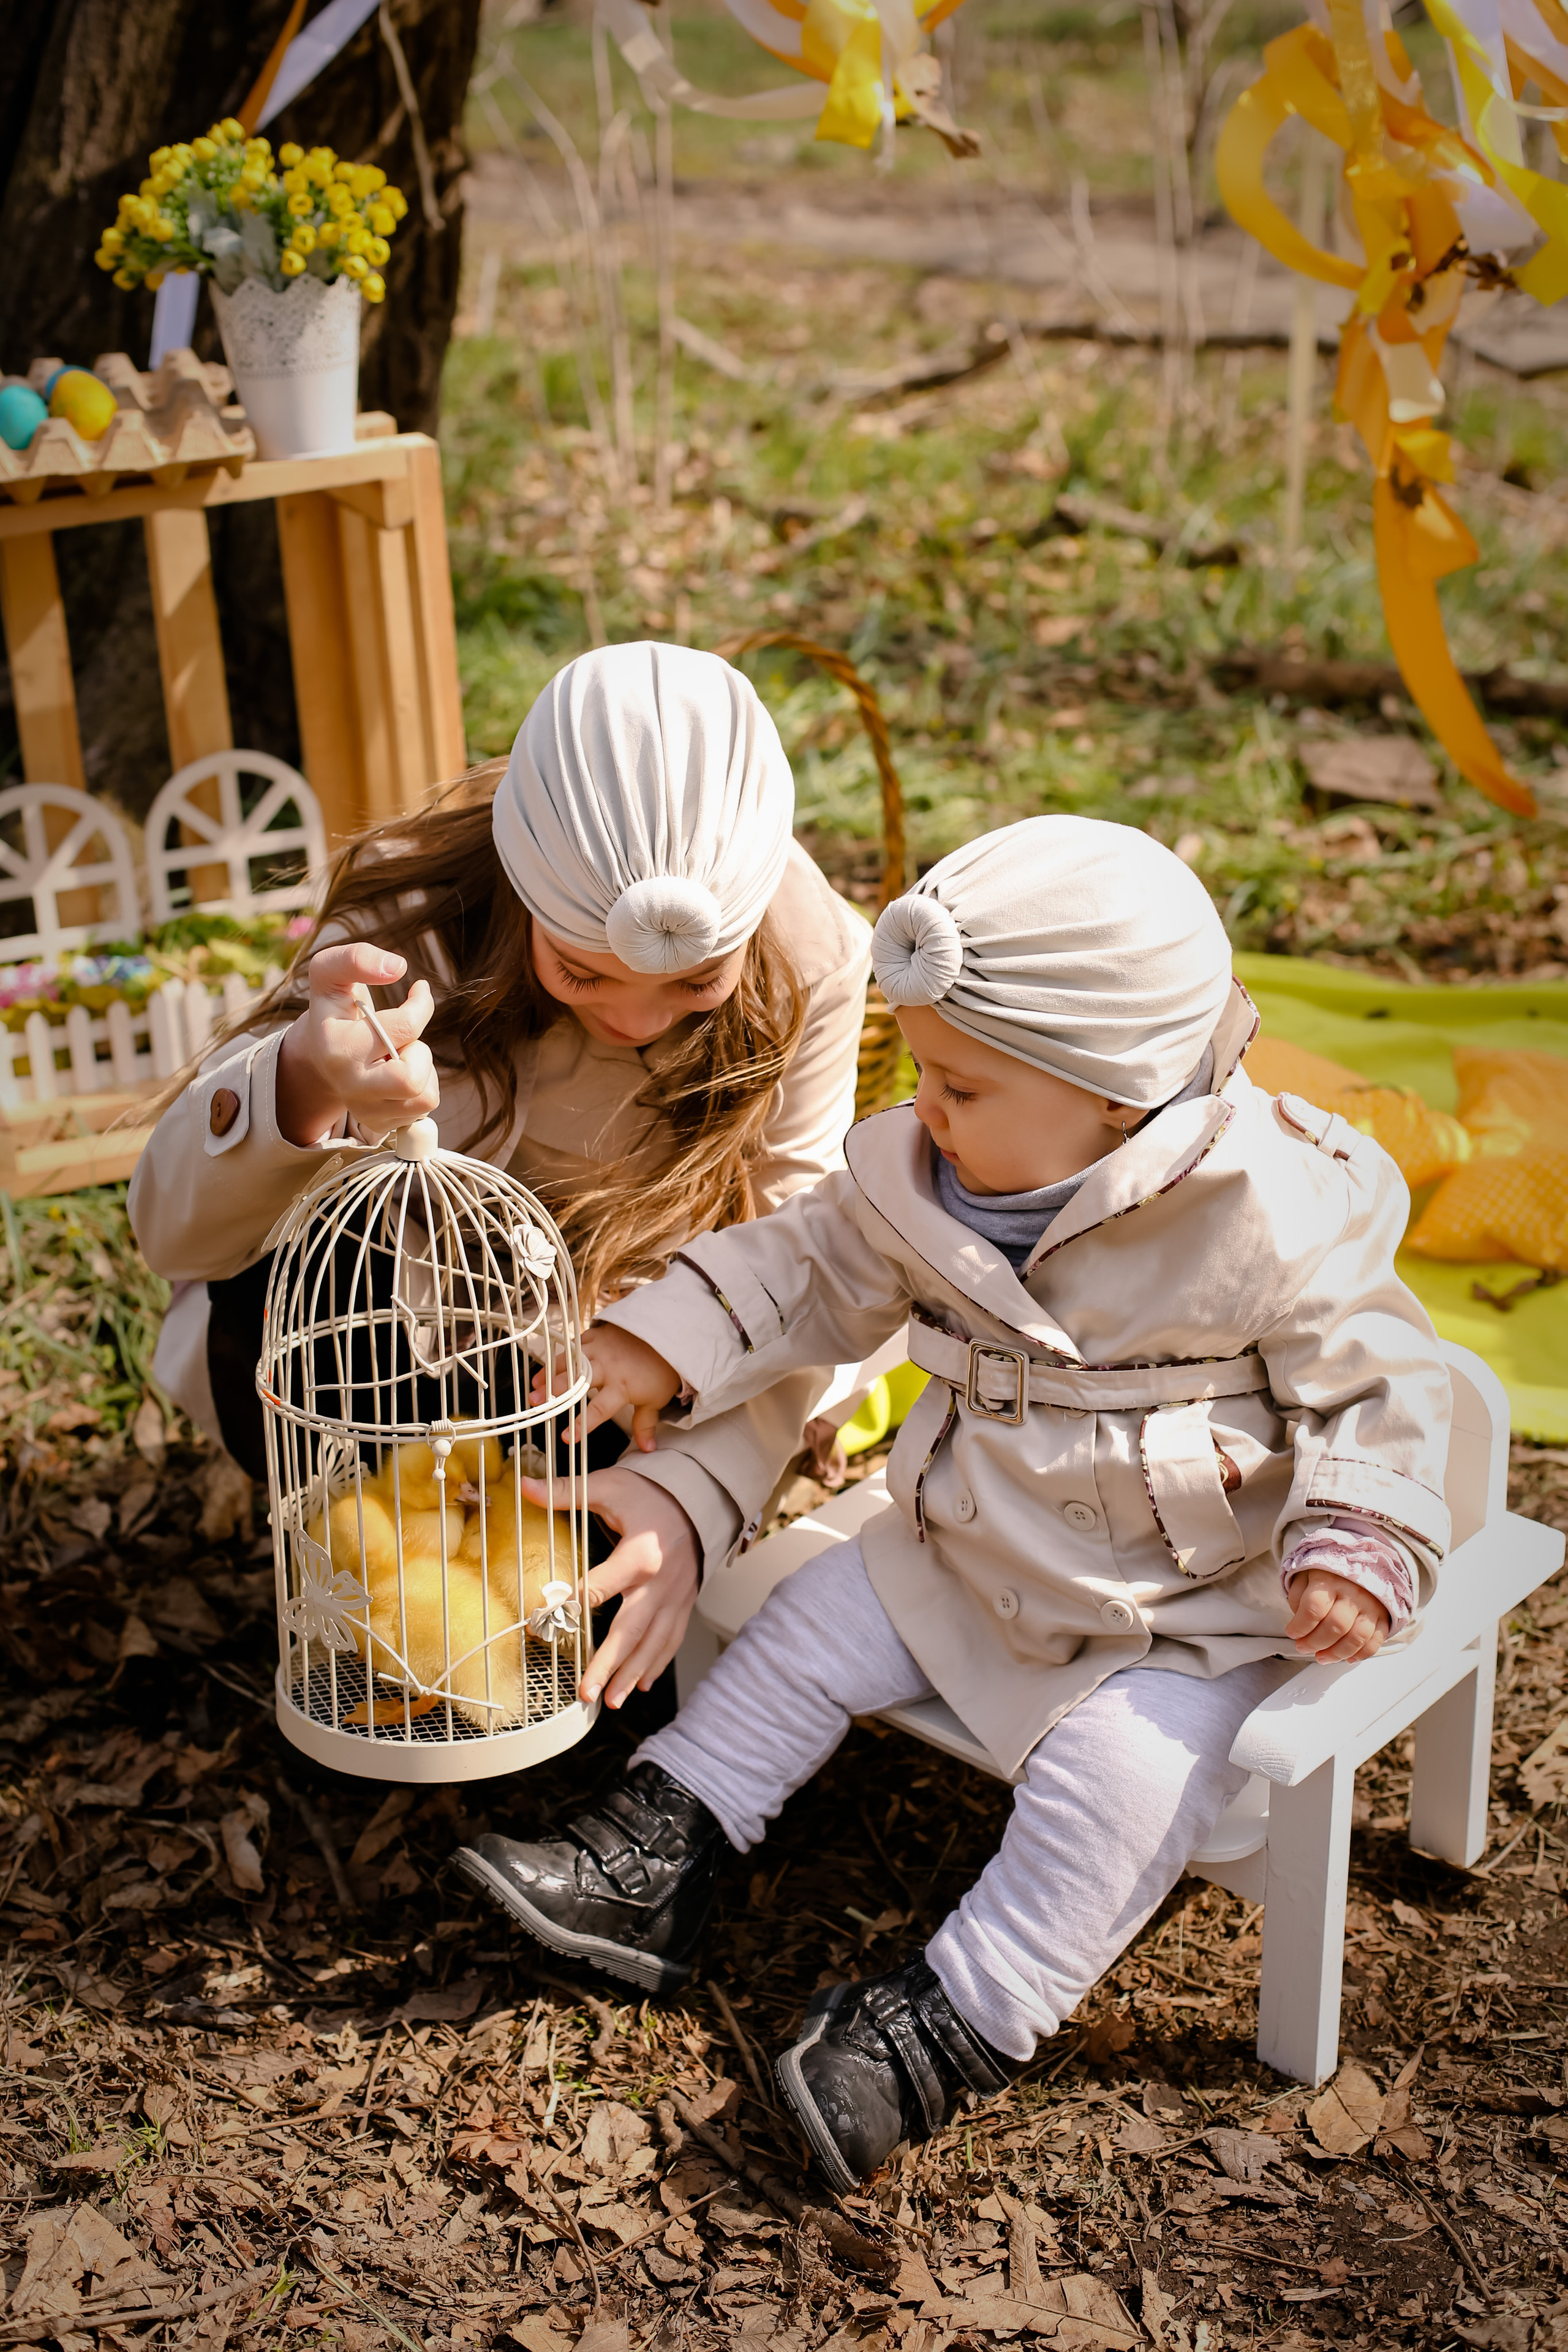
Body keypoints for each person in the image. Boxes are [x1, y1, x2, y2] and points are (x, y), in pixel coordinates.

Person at [453, 813, 1452, 2193]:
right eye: (921, 1073)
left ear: (1115, 1092)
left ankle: (957, 2020)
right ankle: (663, 1846)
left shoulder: (1272, 1211)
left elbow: (1382, 1380)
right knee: (806, 1628)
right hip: (976, 1528)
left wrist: (1353, 1535)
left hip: (1183, 1600)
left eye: (962, 1088)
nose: (925, 1108)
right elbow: (803, 1268)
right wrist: (660, 1340)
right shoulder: (926, 1177)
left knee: (1116, 1787)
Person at [129, 642, 872, 1714]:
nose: (633, 1018)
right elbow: (176, 1240)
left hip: (636, 1367)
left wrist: (692, 1492)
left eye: (698, 985)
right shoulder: (407, 927)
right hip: (383, 1339)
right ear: (521, 888)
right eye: (582, 970)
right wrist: (302, 1086)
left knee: (615, 1642)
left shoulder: (808, 955)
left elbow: (806, 1255)